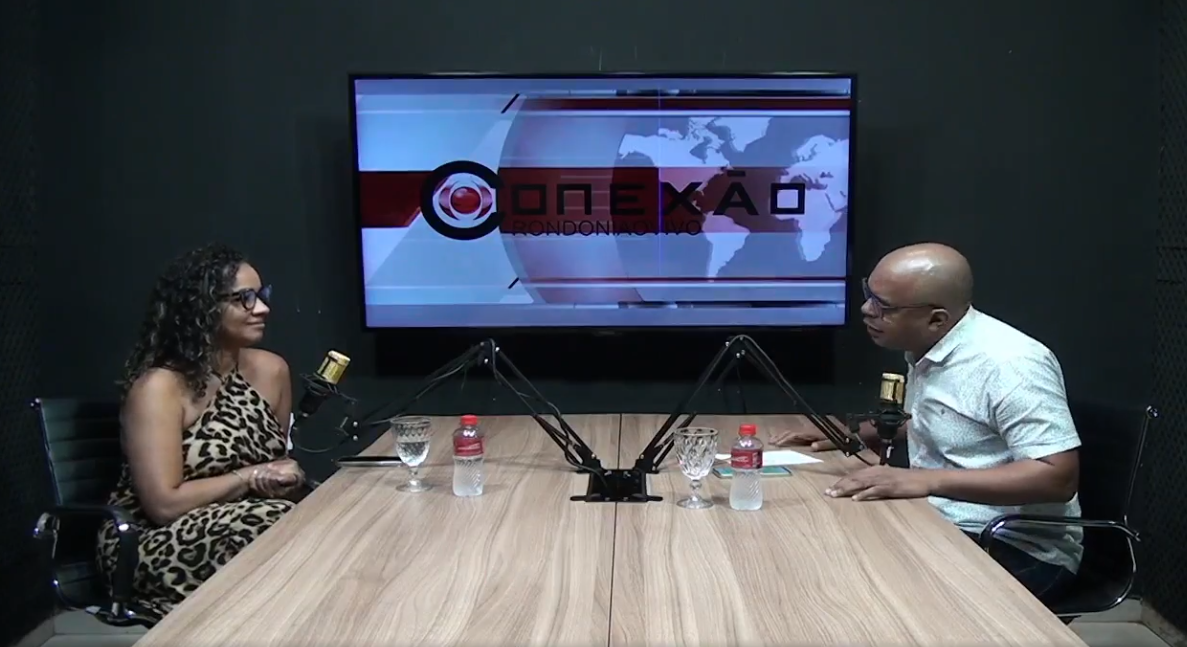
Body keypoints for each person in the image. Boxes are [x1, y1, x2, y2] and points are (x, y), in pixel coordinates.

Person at [773, 242, 1082, 602]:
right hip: (942, 521)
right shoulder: (929, 344)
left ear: (936, 319)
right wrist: (854, 433)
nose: (866, 310)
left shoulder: (1010, 364)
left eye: (883, 306)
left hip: (1015, 546)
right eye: (868, 294)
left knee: (853, 587)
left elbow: (1056, 477)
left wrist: (923, 480)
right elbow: (947, 420)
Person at [97, 243, 305, 621]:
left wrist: (286, 477)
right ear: (203, 308)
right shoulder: (159, 388)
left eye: (262, 295)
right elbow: (163, 505)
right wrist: (247, 478)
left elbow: (276, 465)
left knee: (322, 517)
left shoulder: (272, 371)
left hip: (250, 519)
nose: (262, 308)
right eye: (244, 299)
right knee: (274, 524)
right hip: (152, 540)